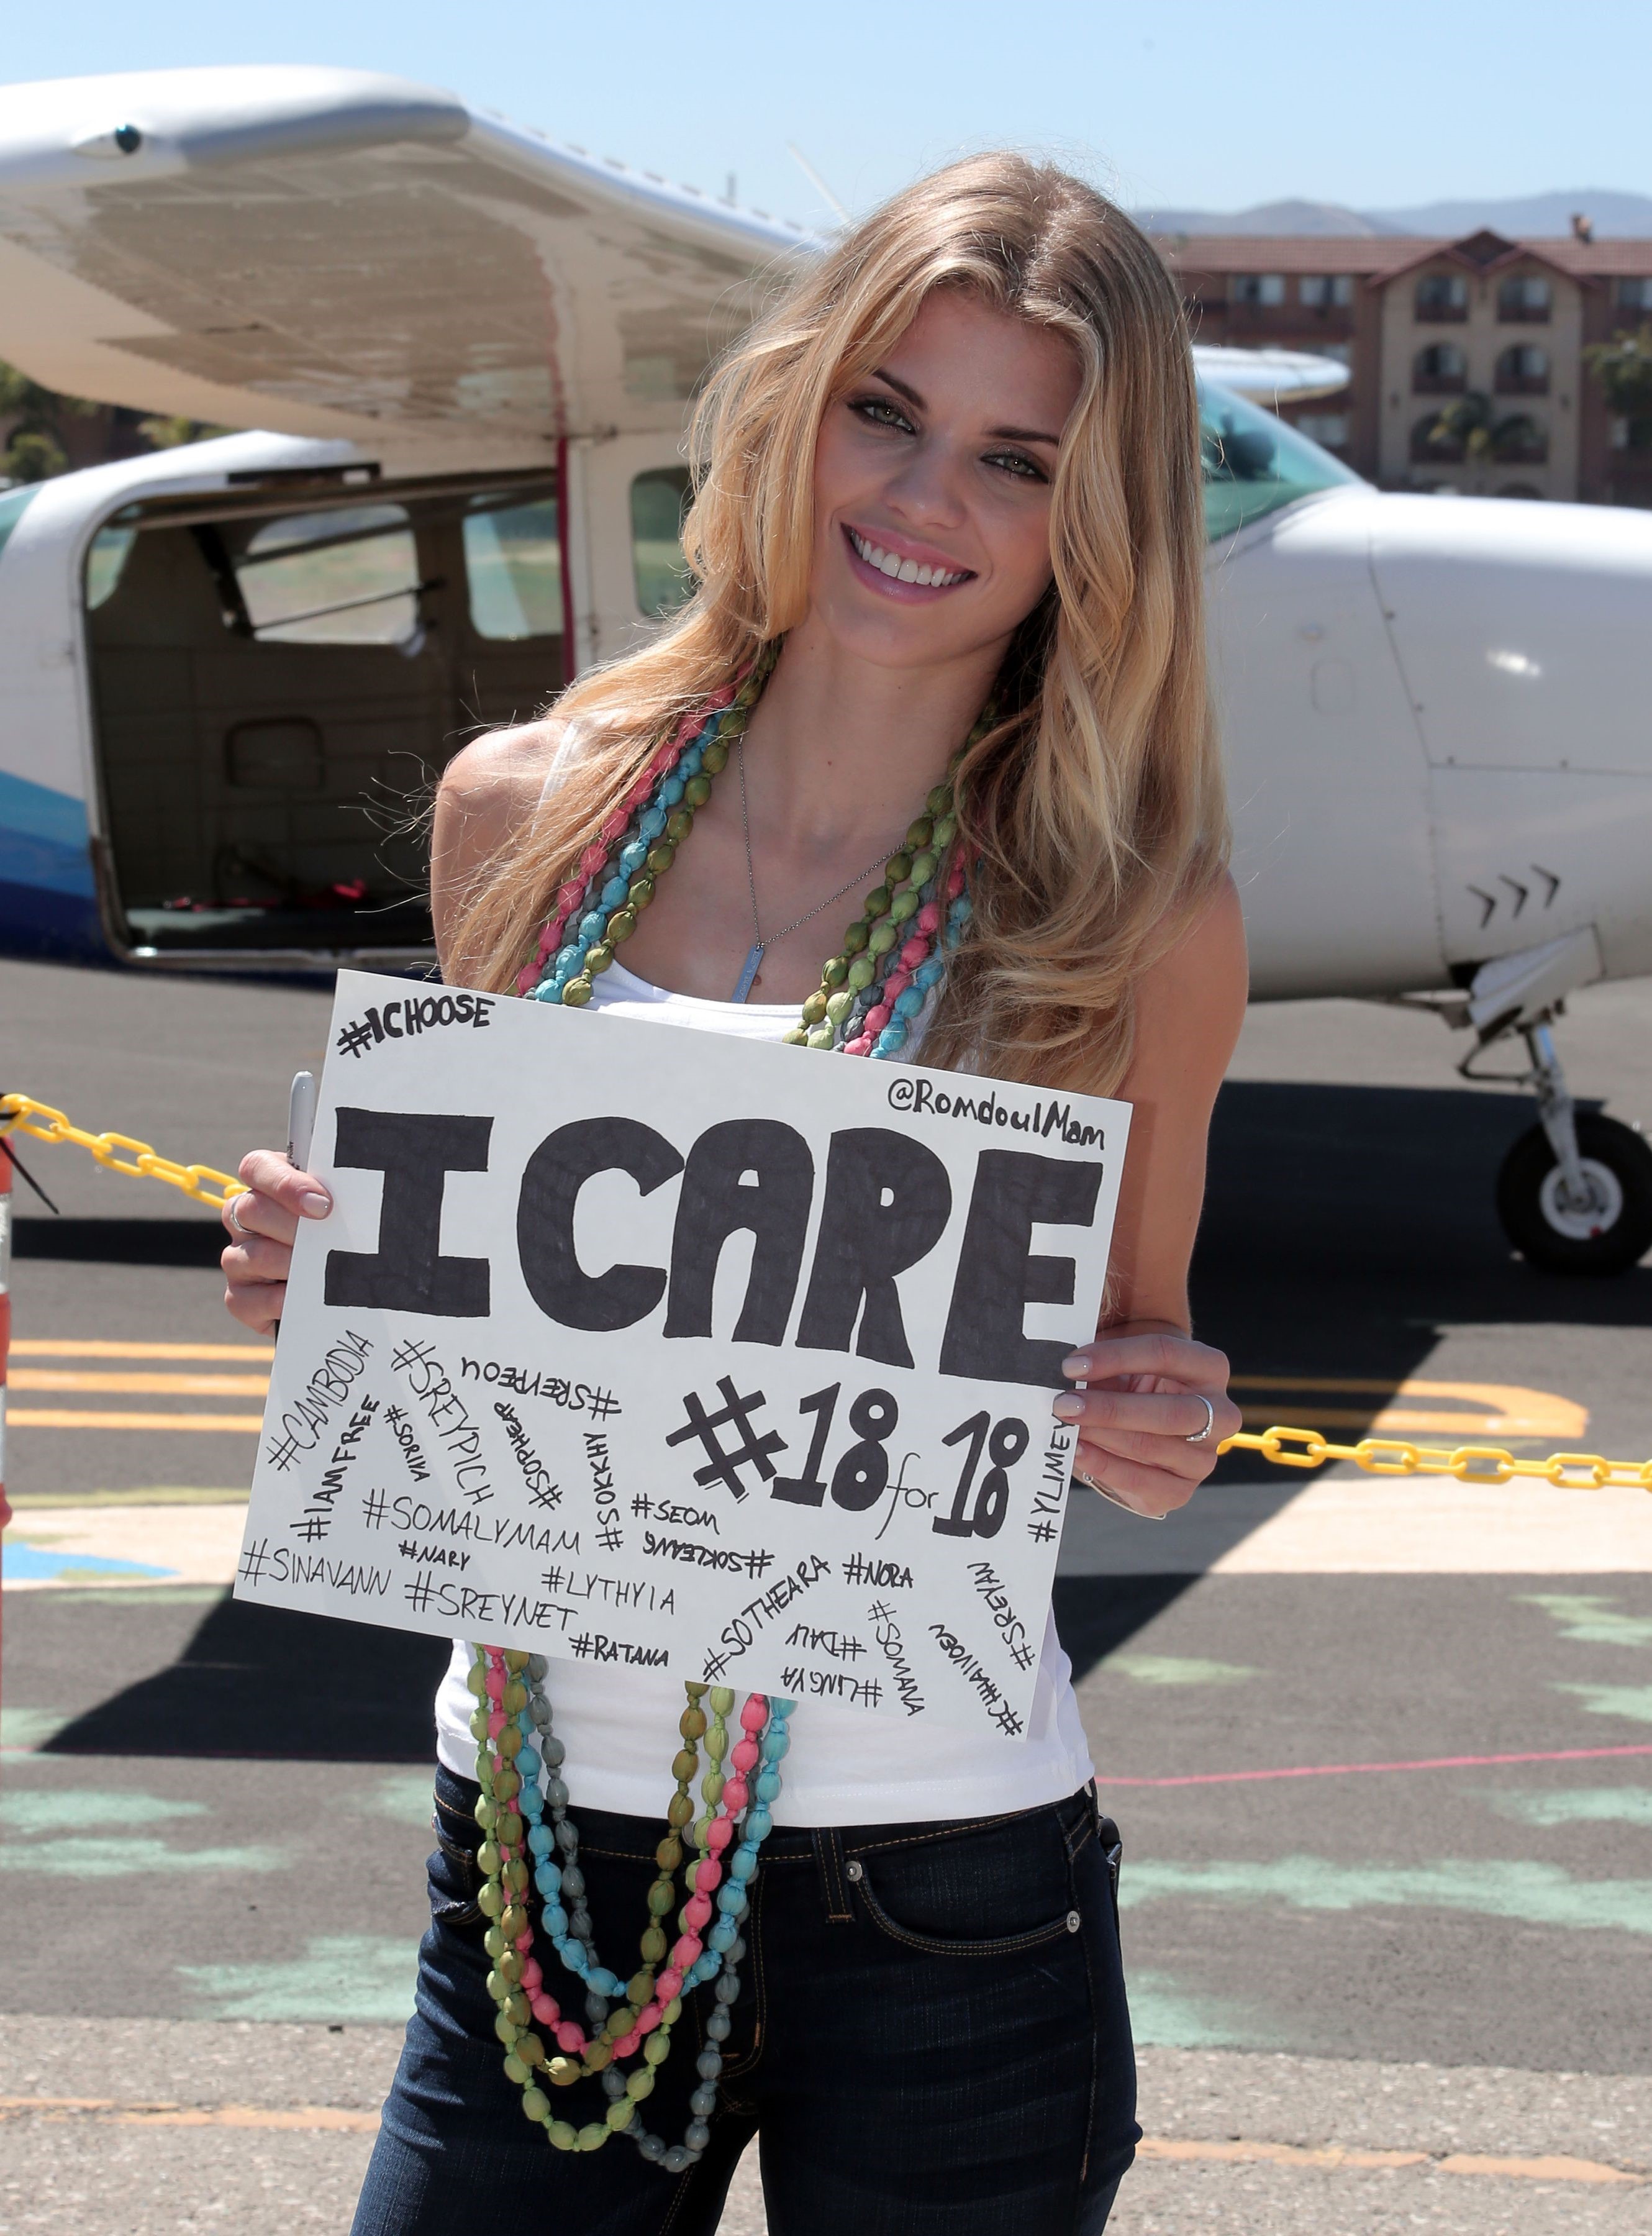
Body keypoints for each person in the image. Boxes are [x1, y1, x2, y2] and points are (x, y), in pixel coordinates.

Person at [221, 153, 1247, 2236]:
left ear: (1096, 525)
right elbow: (451, 1309)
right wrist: (314, 1264)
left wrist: (1162, 1420)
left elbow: (1139, 1400)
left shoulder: (1128, 924)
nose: (923, 496)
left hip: (950, 1894)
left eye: (1015, 458)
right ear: (796, 406)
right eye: (887, 408)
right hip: (532, 1865)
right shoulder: (523, 815)